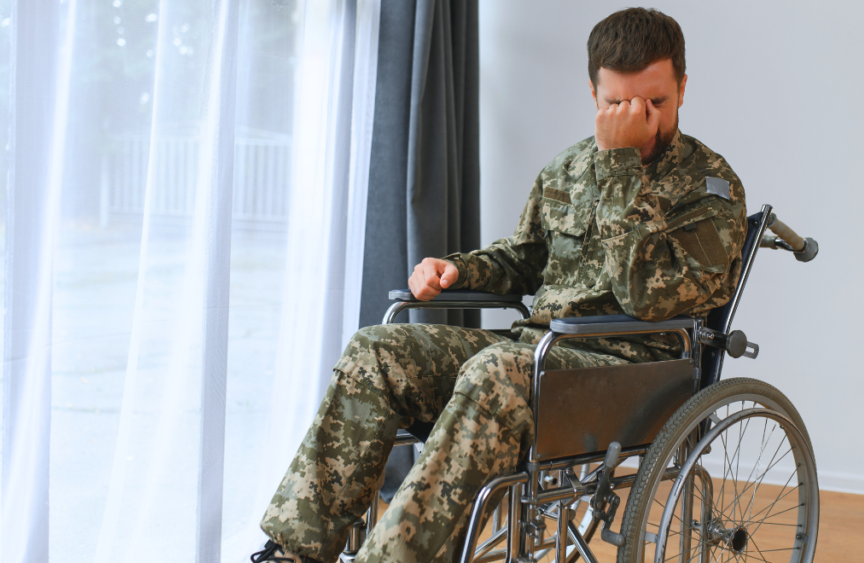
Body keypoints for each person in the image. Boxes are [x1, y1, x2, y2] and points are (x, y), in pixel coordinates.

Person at [252, 7, 747, 563]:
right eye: (618, 103)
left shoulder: (712, 190)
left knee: (499, 372)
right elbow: (524, 260)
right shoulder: (566, 169)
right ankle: (293, 552)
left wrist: (619, 170)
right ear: (593, 93)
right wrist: (459, 270)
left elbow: (649, 298)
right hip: (538, 352)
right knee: (377, 348)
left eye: (656, 102)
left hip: (633, 371)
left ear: (683, 86)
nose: (641, 117)